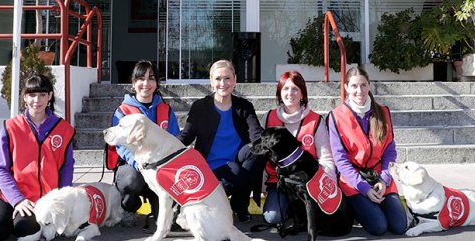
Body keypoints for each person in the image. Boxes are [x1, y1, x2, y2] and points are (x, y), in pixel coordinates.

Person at [0, 74, 75, 241]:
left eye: (42, 95)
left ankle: (18, 221)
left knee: (25, 229)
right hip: (12, 195)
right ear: (24, 97)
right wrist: (17, 201)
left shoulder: (64, 129)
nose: (37, 100)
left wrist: (60, 201)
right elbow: (0, 169)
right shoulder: (10, 127)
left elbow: (66, 168)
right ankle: (9, 215)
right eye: (32, 95)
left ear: (50, 96)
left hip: (43, 200)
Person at [177, 59, 264, 222]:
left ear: (235, 80)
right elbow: (186, 136)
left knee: (257, 150)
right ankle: (209, 201)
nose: (223, 83)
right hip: (208, 167)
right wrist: (163, 150)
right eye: (218, 79)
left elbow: (256, 134)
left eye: (227, 78)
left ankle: (240, 206)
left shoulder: (244, 106)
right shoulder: (200, 106)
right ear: (211, 81)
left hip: (237, 161)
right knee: (235, 172)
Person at [327, 66, 408, 236]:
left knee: (399, 226)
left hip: (379, 176)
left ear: (369, 86)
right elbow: (340, 160)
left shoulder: (383, 112)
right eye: (354, 86)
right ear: (346, 88)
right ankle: (355, 207)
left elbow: (389, 151)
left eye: (363, 85)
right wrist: (364, 188)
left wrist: (384, 180)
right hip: (354, 182)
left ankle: (373, 205)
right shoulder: (336, 116)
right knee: (379, 227)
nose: (359, 91)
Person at [260, 70, 335, 226]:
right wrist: (262, 185)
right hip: (279, 181)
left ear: (302, 94)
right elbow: (261, 155)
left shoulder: (315, 121)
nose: (290, 93)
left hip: (308, 184)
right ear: (279, 93)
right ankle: (290, 211)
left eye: (295, 89)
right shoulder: (268, 118)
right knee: (272, 218)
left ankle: (300, 211)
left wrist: (327, 190)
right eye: (285, 89)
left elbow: (326, 158)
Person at [110, 59, 180, 222]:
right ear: (133, 83)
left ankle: (165, 207)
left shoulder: (166, 110)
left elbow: (175, 141)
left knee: (166, 222)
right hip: (135, 168)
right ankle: (129, 207)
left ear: (157, 83)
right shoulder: (122, 111)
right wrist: (139, 163)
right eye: (141, 78)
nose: (146, 83)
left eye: (151, 78)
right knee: (131, 180)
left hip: (160, 169)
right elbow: (121, 146)